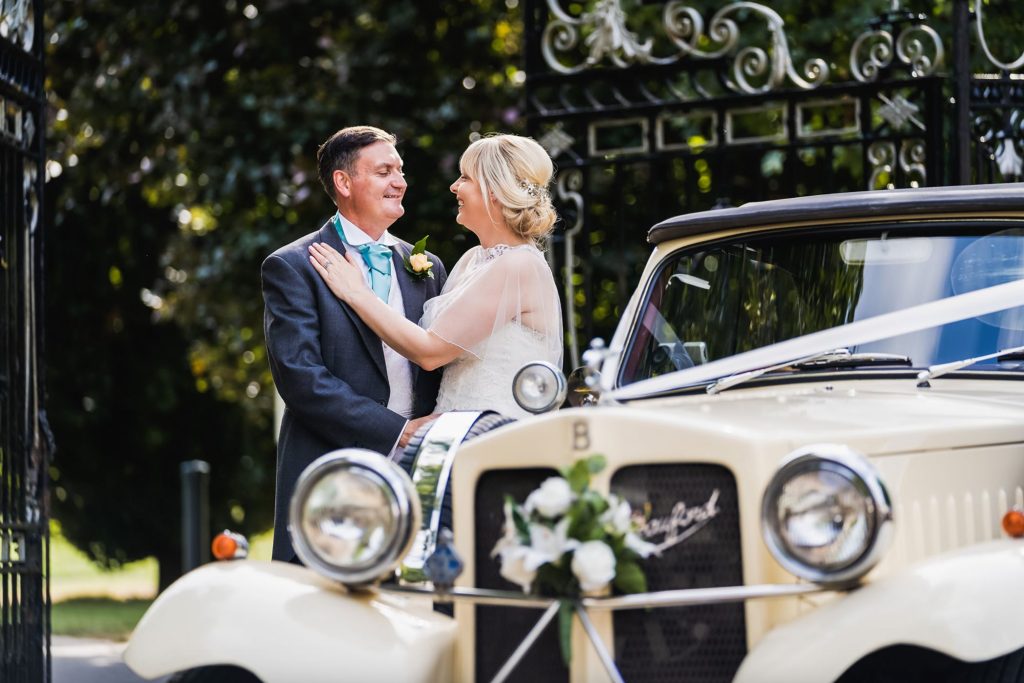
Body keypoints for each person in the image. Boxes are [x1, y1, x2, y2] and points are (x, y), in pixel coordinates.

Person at [262, 125, 446, 562]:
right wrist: (397, 432)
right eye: (384, 171)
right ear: (344, 183)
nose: (399, 181)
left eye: (400, 170)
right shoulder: (293, 266)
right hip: (331, 474)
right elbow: (301, 378)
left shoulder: (427, 266)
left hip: (417, 473)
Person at [308, 133, 562, 419]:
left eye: (465, 178)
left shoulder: (519, 266)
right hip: (445, 431)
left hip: (493, 433)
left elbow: (430, 351)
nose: (454, 187)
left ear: (494, 190)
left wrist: (358, 293)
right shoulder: (472, 260)